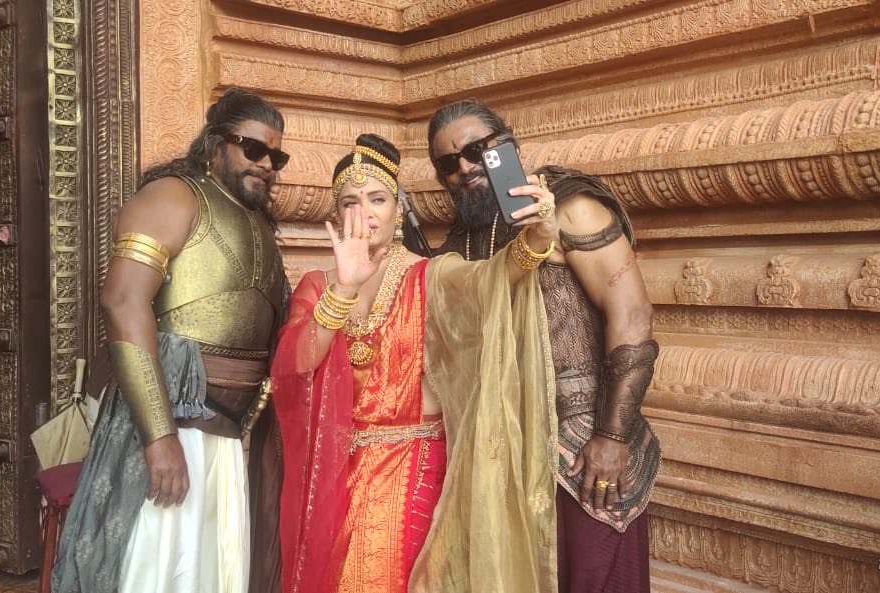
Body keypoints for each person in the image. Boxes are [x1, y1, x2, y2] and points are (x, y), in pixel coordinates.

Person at [272, 134, 561, 593]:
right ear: (336, 215)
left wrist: (540, 236)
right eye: (350, 202)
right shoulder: (317, 285)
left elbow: (494, 278)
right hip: (335, 475)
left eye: (377, 199)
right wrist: (343, 289)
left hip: (415, 464)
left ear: (397, 208)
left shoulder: (432, 275)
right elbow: (296, 366)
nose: (364, 213)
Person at [52, 88, 289, 593]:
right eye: (253, 149)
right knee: (157, 566)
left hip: (229, 434)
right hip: (171, 424)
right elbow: (122, 301)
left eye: (277, 156)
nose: (267, 164)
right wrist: (159, 438)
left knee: (211, 571)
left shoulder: (258, 222)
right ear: (215, 144)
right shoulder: (174, 196)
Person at [421, 99, 663, 593]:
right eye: (448, 162)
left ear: (505, 143)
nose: (464, 168)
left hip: (582, 447)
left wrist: (612, 436)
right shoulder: (462, 243)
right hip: (503, 455)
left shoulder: (570, 205)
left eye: (476, 151)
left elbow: (633, 316)